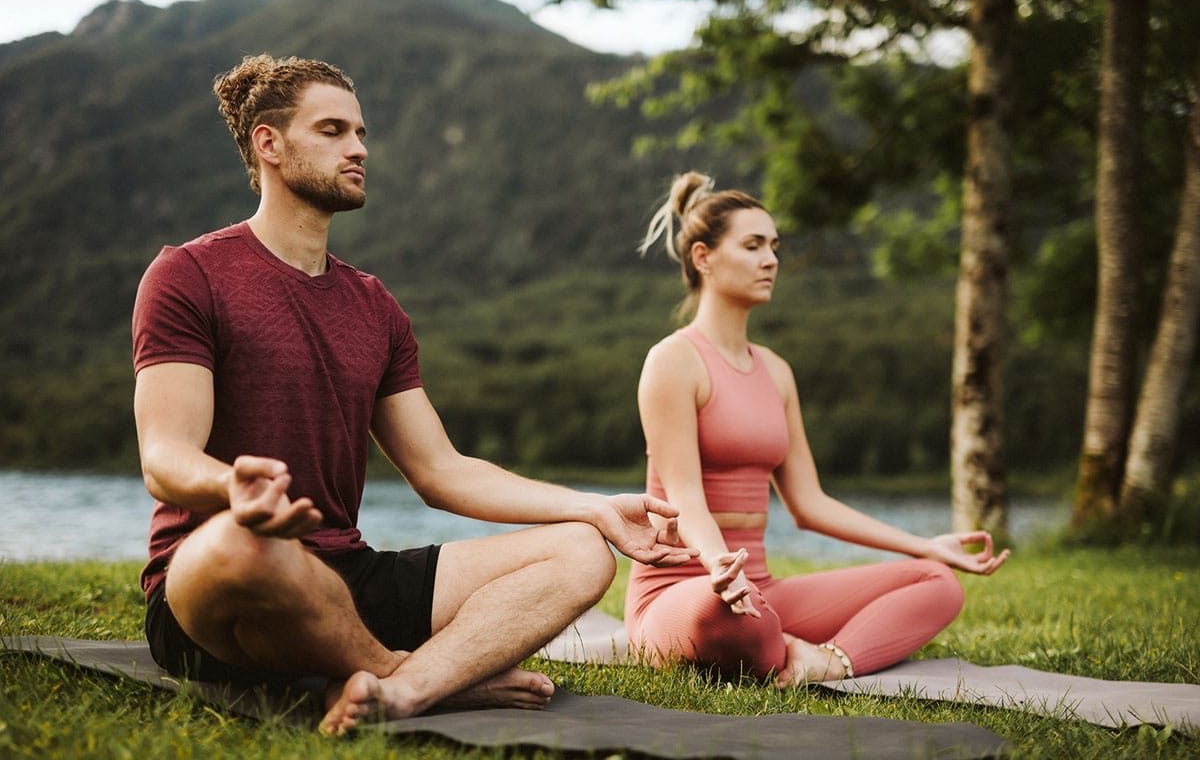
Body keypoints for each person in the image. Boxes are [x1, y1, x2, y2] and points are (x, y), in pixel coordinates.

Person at [131, 54, 694, 735]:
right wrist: (231, 490)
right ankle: (411, 673)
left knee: (579, 552)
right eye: (334, 130)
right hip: (215, 581)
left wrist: (597, 508)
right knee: (244, 546)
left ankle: (401, 693)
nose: (359, 148)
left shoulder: (374, 307)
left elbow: (440, 470)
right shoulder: (189, 274)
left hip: (347, 576)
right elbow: (165, 456)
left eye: (361, 132)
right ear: (269, 144)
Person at [624, 172, 1009, 687]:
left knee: (937, 583)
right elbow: (685, 496)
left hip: (758, 588)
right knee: (739, 620)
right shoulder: (673, 360)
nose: (771, 260)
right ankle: (772, 641)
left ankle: (825, 660)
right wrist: (720, 567)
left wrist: (923, 545)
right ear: (703, 258)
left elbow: (809, 503)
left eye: (775, 247)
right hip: (683, 590)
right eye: (753, 245)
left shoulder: (777, 372)